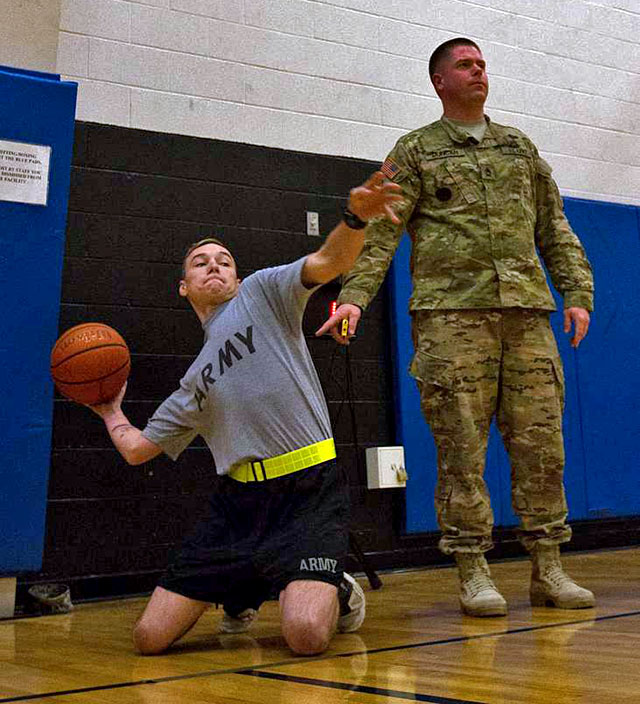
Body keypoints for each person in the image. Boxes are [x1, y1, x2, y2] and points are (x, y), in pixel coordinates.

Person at [317, 38, 595, 617]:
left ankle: (548, 568)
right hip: (450, 322)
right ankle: (474, 572)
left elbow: (554, 226)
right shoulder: (415, 152)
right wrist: (355, 299)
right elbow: (383, 232)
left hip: (526, 318)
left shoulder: (519, 148)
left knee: (542, 446)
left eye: (482, 64)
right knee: (461, 452)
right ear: (440, 81)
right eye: (465, 65)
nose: (479, 71)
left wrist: (577, 292)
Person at [88, 172, 403, 654]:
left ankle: (339, 589)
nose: (213, 267)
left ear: (236, 277)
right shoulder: (193, 382)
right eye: (200, 263)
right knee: (148, 639)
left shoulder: (263, 294)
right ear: (184, 287)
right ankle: (245, 587)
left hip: (308, 489)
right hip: (238, 506)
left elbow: (330, 260)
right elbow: (136, 450)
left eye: (223, 261)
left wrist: (354, 217)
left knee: (305, 636)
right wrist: (109, 410)